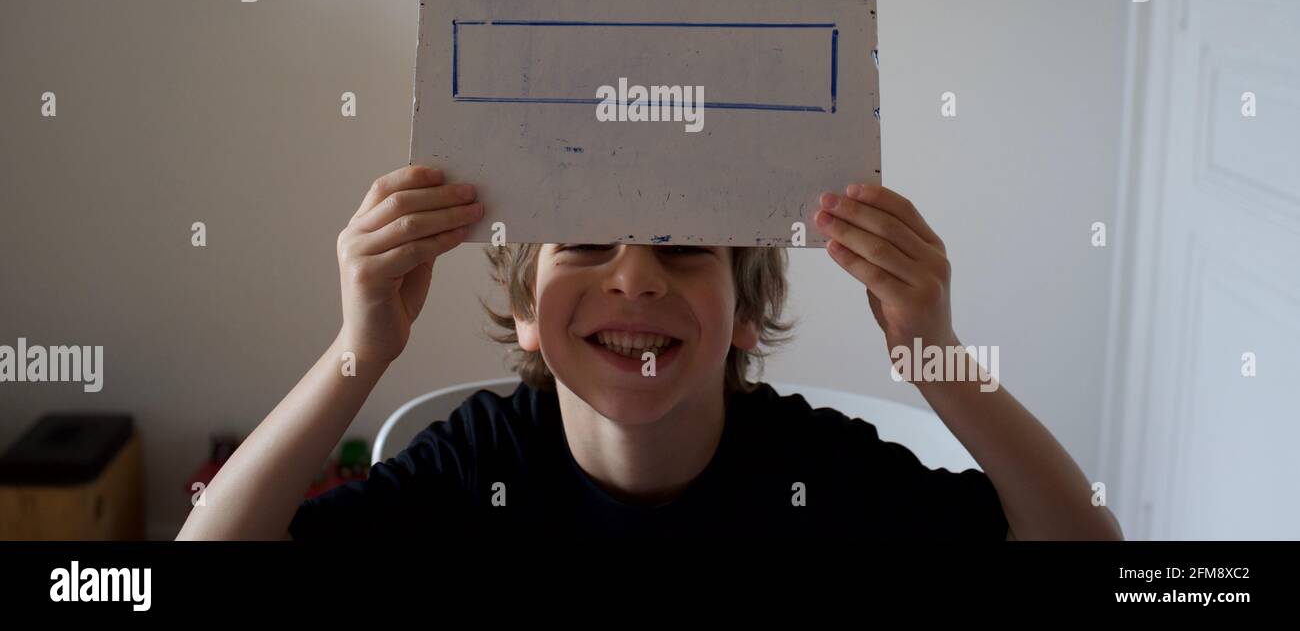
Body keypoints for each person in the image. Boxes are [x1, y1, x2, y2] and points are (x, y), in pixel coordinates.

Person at [176, 164, 1123, 542]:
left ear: (745, 312)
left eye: (682, 246)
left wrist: (936, 355)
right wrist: (358, 349)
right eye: (585, 242)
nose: (635, 277)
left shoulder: (816, 472)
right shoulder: (480, 467)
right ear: (527, 316)